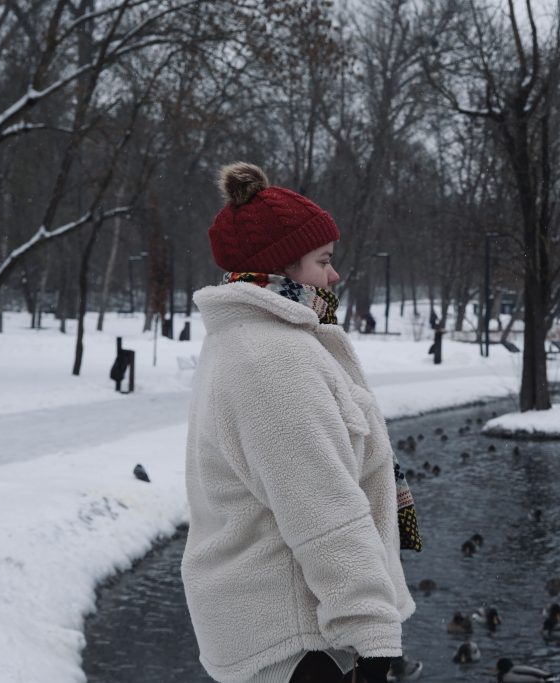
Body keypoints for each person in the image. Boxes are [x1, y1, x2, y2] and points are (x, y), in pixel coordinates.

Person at [182, 162, 419, 683]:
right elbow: (322, 508)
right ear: (281, 269)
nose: (333, 276)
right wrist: (374, 635)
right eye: (323, 261)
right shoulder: (273, 360)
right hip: (294, 637)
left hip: (273, 625)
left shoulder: (244, 342)